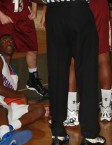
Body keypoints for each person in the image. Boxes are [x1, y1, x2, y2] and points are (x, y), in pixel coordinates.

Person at [32, 0, 106, 144]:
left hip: (54, 13)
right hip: (78, 10)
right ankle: (90, 134)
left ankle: (58, 132)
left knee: (57, 72)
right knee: (87, 72)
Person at [0, 34, 49, 145]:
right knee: (1, 109)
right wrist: (21, 95)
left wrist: (32, 103)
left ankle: (7, 127)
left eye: (11, 40)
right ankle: (5, 137)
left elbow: (10, 98)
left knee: (39, 110)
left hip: (1, 104)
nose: (9, 41)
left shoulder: (14, 77)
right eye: (5, 40)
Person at [0, 0, 48, 98]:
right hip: (4, 13)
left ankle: (33, 80)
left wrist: (34, 9)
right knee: (2, 52)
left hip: (23, 13)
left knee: (32, 47)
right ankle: (1, 85)